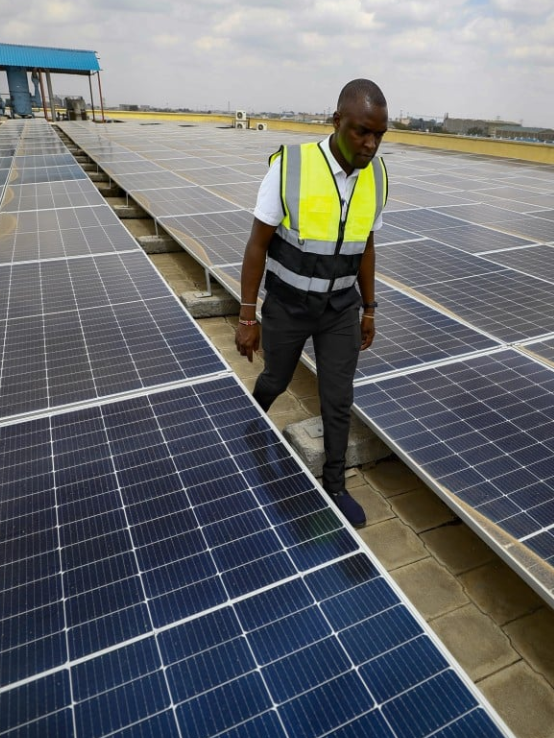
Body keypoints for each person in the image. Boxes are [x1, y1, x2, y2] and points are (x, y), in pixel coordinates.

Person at [234, 79, 389, 528]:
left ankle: (335, 485)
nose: (370, 143)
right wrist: (248, 315)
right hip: (287, 304)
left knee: (338, 397)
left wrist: (370, 307)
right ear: (337, 120)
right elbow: (256, 244)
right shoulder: (292, 166)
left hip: (340, 307)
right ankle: (247, 425)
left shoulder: (376, 177)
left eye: (379, 134)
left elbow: (367, 244)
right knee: (275, 378)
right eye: (362, 131)